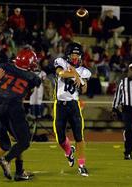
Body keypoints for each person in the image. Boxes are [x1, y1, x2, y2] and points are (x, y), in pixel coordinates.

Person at [0, 48, 41, 181]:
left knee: (19, 141)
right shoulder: (32, 77)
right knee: (25, 141)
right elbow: (32, 85)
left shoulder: (6, 67)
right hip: (14, 107)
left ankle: (19, 172)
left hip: (0, 108)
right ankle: (6, 159)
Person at [53, 42, 91, 177]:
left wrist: (79, 77)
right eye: (73, 55)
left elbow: (84, 88)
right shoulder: (61, 62)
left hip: (73, 105)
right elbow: (61, 73)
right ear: (68, 55)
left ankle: (81, 165)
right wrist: (74, 73)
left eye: (77, 55)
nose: (75, 57)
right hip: (60, 104)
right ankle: (69, 152)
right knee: (60, 137)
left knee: (79, 136)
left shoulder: (84, 71)